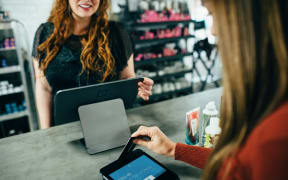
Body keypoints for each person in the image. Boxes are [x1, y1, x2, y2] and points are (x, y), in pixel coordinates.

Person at [132, 0, 288, 179]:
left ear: (247, 19)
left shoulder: (275, 138)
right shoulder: (268, 105)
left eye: (213, 14)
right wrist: (173, 149)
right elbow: (237, 162)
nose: (213, 30)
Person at [32, 0, 154, 129]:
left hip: (110, 123)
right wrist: (45, 132)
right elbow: (44, 88)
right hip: (64, 128)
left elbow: (127, 77)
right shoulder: (45, 34)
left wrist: (136, 87)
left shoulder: (116, 32)